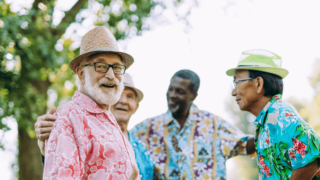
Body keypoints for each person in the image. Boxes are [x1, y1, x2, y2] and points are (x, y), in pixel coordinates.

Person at [36, 69, 255, 179]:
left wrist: (277, 124)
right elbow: (69, 161)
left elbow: (252, 144)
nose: (123, 101)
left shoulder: (213, 125)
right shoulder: (140, 133)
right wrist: (49, 139)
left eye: (130, 97)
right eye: (171, 89)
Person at [40, 26, 140, 180]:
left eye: (117, 67)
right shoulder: (68, 118)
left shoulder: (109, 119)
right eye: (101, 66)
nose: (111, 75)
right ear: (81, 74)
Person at [130, 69, 256, 179]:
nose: (172, 95)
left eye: (180, 91)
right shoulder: (148, 129)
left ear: (193, 96)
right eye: (171, 90)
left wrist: (270, 128)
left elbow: (246, 143)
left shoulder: (213, 125)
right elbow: (121, 142)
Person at [36, 73, 154, 180]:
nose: (123, 101)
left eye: (130, 97)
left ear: (136, 107)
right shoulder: (80, 130)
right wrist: (47, 146)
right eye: (120, 95)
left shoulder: (142, 146)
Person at [226, 49, 320, 180]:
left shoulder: (280, 114)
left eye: (236, 82)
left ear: (258, 83)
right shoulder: (266, 121)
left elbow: (312, 155)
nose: (233, 92)